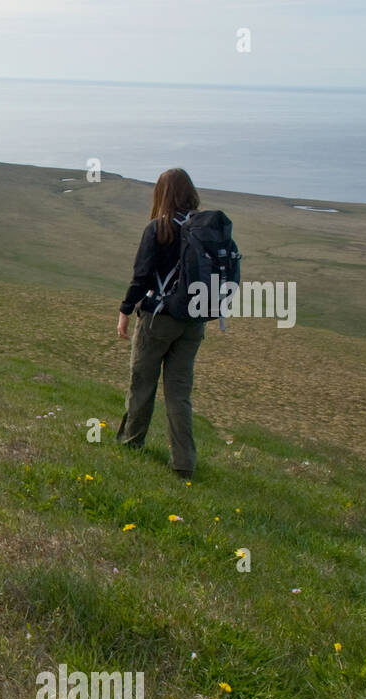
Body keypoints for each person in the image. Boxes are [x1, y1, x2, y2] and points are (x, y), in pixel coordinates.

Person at [115, 167, 207, 480]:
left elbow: (142, 276)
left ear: (162, 194)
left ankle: (131, 443)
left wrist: (125, 310)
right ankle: (184, 465)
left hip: (158, 319)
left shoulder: (158, 228)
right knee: (179, 394)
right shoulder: (204, 228)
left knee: (143, 383)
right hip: (194, 322)